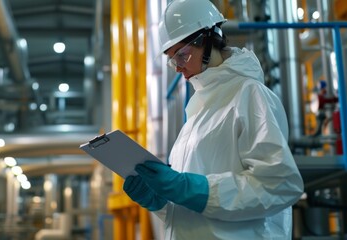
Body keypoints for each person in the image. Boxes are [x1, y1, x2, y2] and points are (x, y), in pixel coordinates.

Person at [122, 0, 304, 239]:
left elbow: (280, 185)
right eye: (171, 59)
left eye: (182, 56)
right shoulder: (196, 116)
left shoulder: (249, 94)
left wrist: (191, 189)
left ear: (209, 39)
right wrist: (161, 203)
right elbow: (199, 218)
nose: (177, 68)